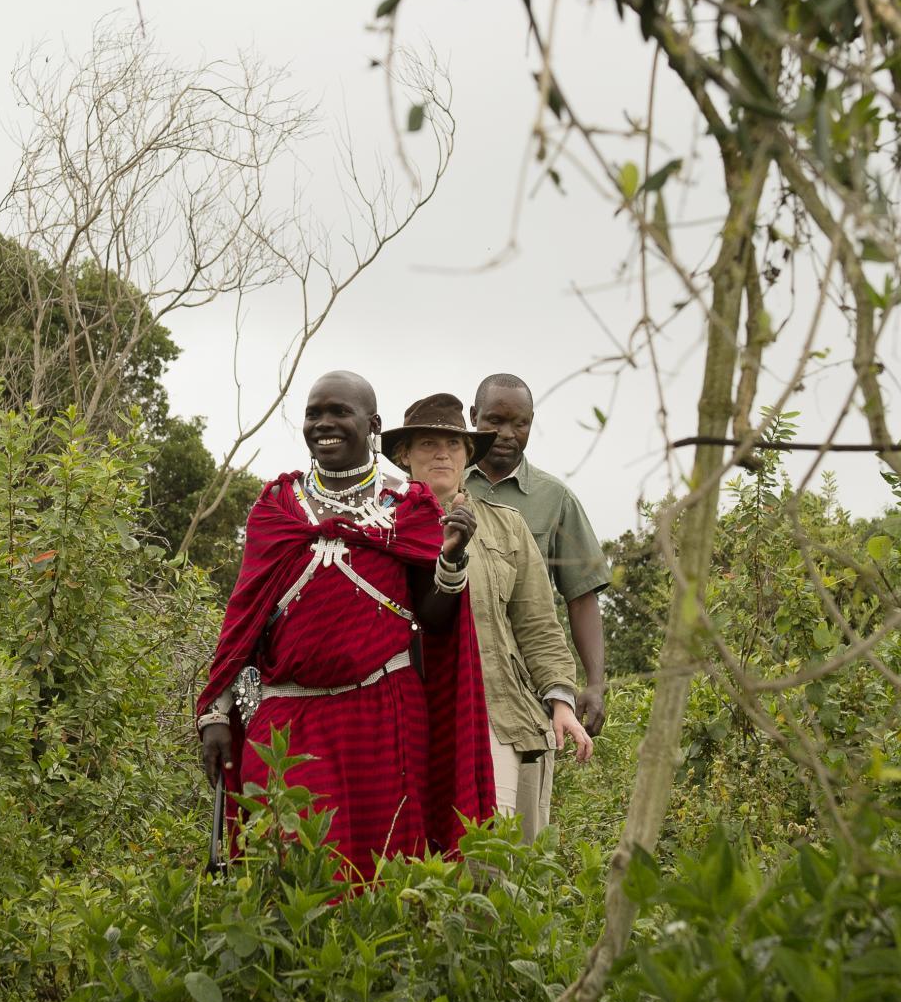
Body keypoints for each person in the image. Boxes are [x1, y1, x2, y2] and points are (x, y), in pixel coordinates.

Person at [195, 371, 496, 877]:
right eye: (315, 414)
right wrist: (217, 713)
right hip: (287, 720)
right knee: (282, 874)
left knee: (382, 879)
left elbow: (435, 620)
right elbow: (243, 619)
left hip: (383, 715)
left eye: (340, 413)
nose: (324, 424)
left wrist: (449, 559)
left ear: (373, 425)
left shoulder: (408, 508)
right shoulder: (276, 508)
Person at [382, 393, 593, 839]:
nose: (442, 454)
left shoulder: (507, 525)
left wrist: (561, 701)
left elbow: (538, 624)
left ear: (468, 455)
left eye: (454, 445)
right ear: (404, 456)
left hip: (499, 714)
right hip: (407, 717)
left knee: (498, 864)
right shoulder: (378, 527)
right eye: (427, 444)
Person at [467, 374, 614, 735]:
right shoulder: (441, 486)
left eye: (521, 423)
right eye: (495, 421)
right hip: (457, 674)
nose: (507, 433)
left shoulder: (556, 499)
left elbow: (581, 597)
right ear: (473, 417)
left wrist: (594, 684)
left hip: (529, 684)